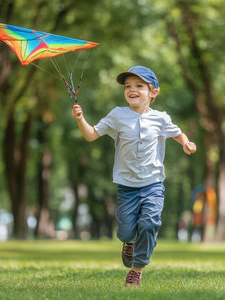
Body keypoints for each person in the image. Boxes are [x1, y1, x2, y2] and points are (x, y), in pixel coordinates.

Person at [71, 65, 196, 286]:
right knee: (126, 230)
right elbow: (91, 135)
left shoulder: (160, 118)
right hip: (126, 187)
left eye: (139, 86)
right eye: (128, 86)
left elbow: (177, 133)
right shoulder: (118, 115)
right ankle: (128, 242)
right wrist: (80, 119)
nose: (132, 90)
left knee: (149, 224)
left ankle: (136, 271)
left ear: (153, 92)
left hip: (153, 184)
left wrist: (186, 143)